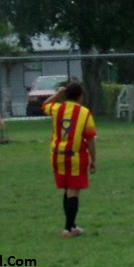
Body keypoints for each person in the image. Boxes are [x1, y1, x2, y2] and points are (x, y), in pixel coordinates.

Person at [42, 82, 97, 238]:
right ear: (80, 96)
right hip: (76, 157)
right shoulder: (84, 113)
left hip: (57, 155)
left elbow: (44, 105)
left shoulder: (57, 108)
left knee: (67, 189)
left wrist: (58, 94)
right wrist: (94, 160)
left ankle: (72, 225)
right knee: (73, 191)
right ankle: (68, 228)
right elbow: (91, 139)